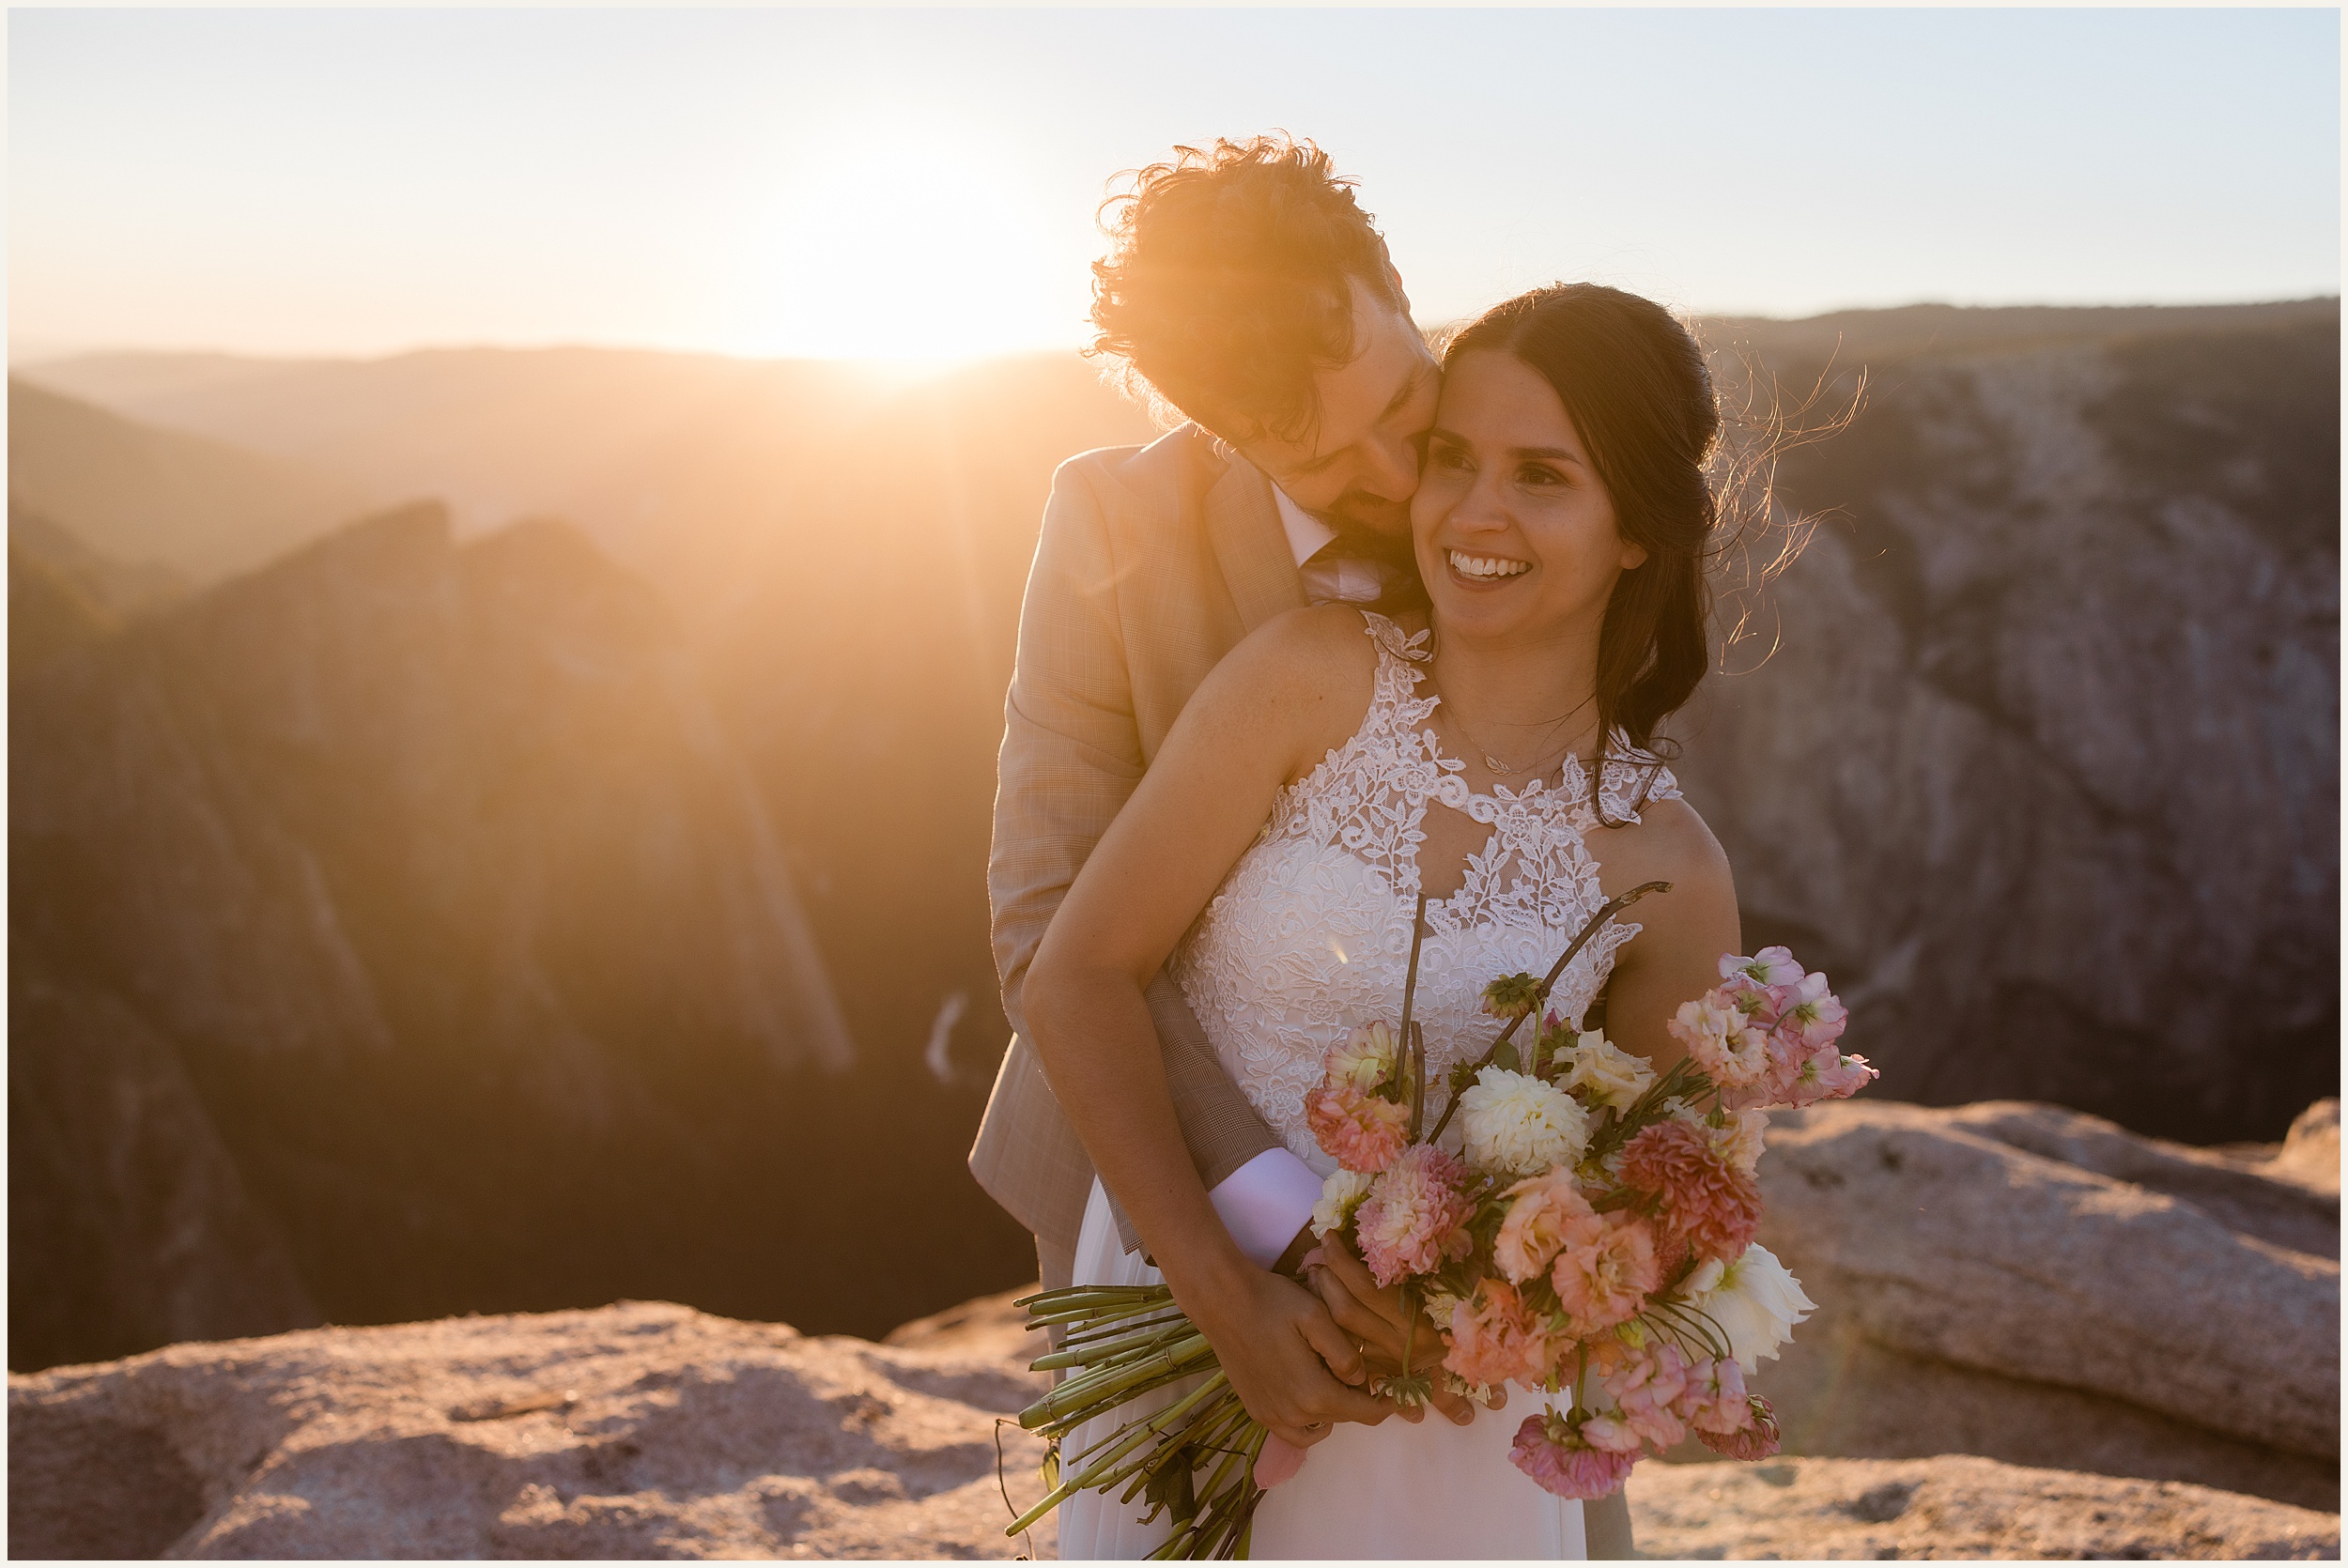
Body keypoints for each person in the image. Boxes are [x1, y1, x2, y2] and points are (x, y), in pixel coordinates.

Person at [1020, 279, 1743, 1557]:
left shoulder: (1670, 870)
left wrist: (1495, 1317)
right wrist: (1226, 1296)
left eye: (1541, 476)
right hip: (1180, 1296)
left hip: (1454, 1416)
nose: (1474, 512)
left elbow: (1666, 1216)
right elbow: (1078, 972)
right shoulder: (1308, 678)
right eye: (1453, 458)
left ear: (1637, 526)